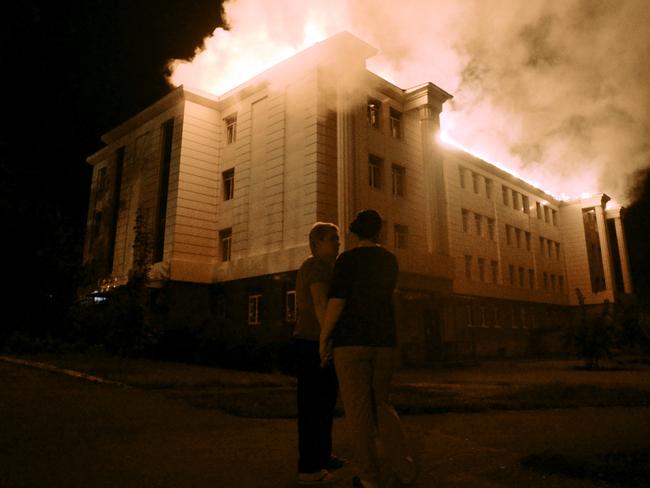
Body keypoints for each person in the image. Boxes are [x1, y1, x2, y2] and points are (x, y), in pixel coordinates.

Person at [319, 210, 416, 488]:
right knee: (383, 405)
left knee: (359, 411)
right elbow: (391, 299)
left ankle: (370, 478)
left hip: (350, 343)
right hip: (383, 342)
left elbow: (337, 302)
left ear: (354, 233)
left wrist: (325, 337)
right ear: (379, 232)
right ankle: (404, 471)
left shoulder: (346, 260)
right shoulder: (390, 261)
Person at [294, 222, 347, 484]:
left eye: (338, 238)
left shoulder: (325, 267)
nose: (338, 242)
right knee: (313, 406)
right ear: (316, 244)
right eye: (332, 238)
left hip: (316, 343)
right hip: (312, 343)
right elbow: (319, 303)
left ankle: (323, 455)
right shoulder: (315, 266)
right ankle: (309, 469)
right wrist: (326, 343)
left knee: (324, 404)